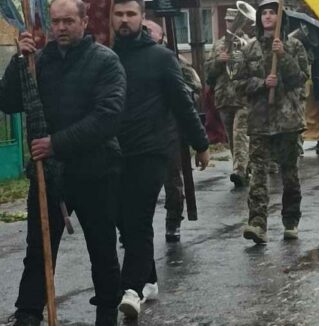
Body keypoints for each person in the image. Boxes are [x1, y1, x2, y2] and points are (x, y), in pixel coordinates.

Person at [0, 0, 126, 324]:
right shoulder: (38, 61)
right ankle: (28, 313)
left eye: (68, 21)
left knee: (102, 248)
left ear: (84, 21)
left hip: (96, 170)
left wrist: (56, 143)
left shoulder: (105, 62)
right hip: (49, 175)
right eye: (55, 21)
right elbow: (9, 102)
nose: (60, 28)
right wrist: (19, 61)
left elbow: (107, 118)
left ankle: (107, 311)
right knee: (38, 250)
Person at [110, 0, 210, 318]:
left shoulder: (161, 58)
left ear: (142, 18)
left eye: (131, 14)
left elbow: (182, 104)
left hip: (151, 151)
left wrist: (201, 143)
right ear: (111, 18)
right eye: (119, 14)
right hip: (113, 152)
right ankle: (149, 278)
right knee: (123, 221)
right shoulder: (103, 57)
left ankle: (131, 289)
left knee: (138, 219)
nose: (125, 20)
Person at [232, 0, 309, 244]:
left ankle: (290, 220)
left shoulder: (294, 46)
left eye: (272, 13)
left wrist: (283, 56)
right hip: (260, 121)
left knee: (289, 175)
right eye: (263, 13)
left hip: (288, 121)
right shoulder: (249, 50)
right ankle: (257, 223)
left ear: (280, 18)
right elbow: (238, 84)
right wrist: (262, 83)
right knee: (258, 175)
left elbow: (299, 79)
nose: (267, 17)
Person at [142, 19, 201, 243]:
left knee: (172, 179)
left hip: (169, 127)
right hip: (141, 129)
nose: (147, 33)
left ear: (161, 36)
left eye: (151, 31)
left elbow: (195, 85)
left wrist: (175, 89)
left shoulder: (172, 59)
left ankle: (173, 220)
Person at [205, 8, 251, 187]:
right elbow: (208, 72)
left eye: (234, 20)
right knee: (232, 138)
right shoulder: (218, 45)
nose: (231, 24)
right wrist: (218, 61)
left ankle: (239, 170)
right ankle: (244, 168)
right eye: (229, 21)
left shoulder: (247, 43)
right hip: (224, 98)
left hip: (243, 97)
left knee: (241, 135)